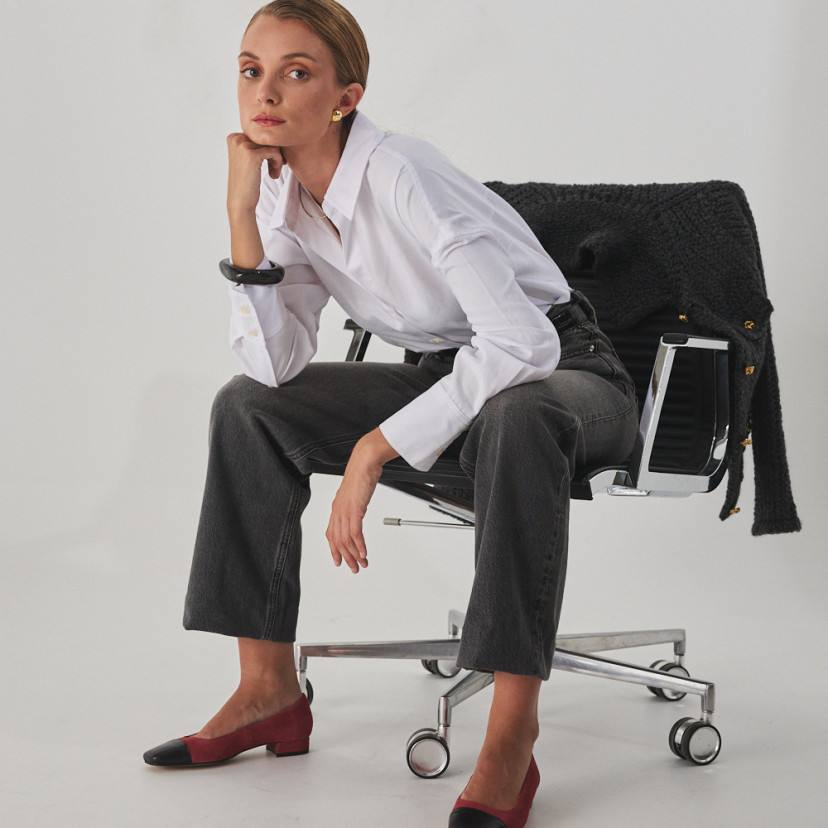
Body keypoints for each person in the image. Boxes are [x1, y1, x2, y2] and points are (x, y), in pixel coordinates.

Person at [143, 2, 639, 826]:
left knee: (517, 419)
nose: (265, 92)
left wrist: (375, 447)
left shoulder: (403, 173)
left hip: (568, 372)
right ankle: (268, 691)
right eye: (251, 70)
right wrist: (241, 220)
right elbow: (274, 367)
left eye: (296, 72)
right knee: (247, 408)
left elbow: (521, 342)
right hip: (453, 377)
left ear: (346, 97)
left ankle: (512, 737)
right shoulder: (283, 198)